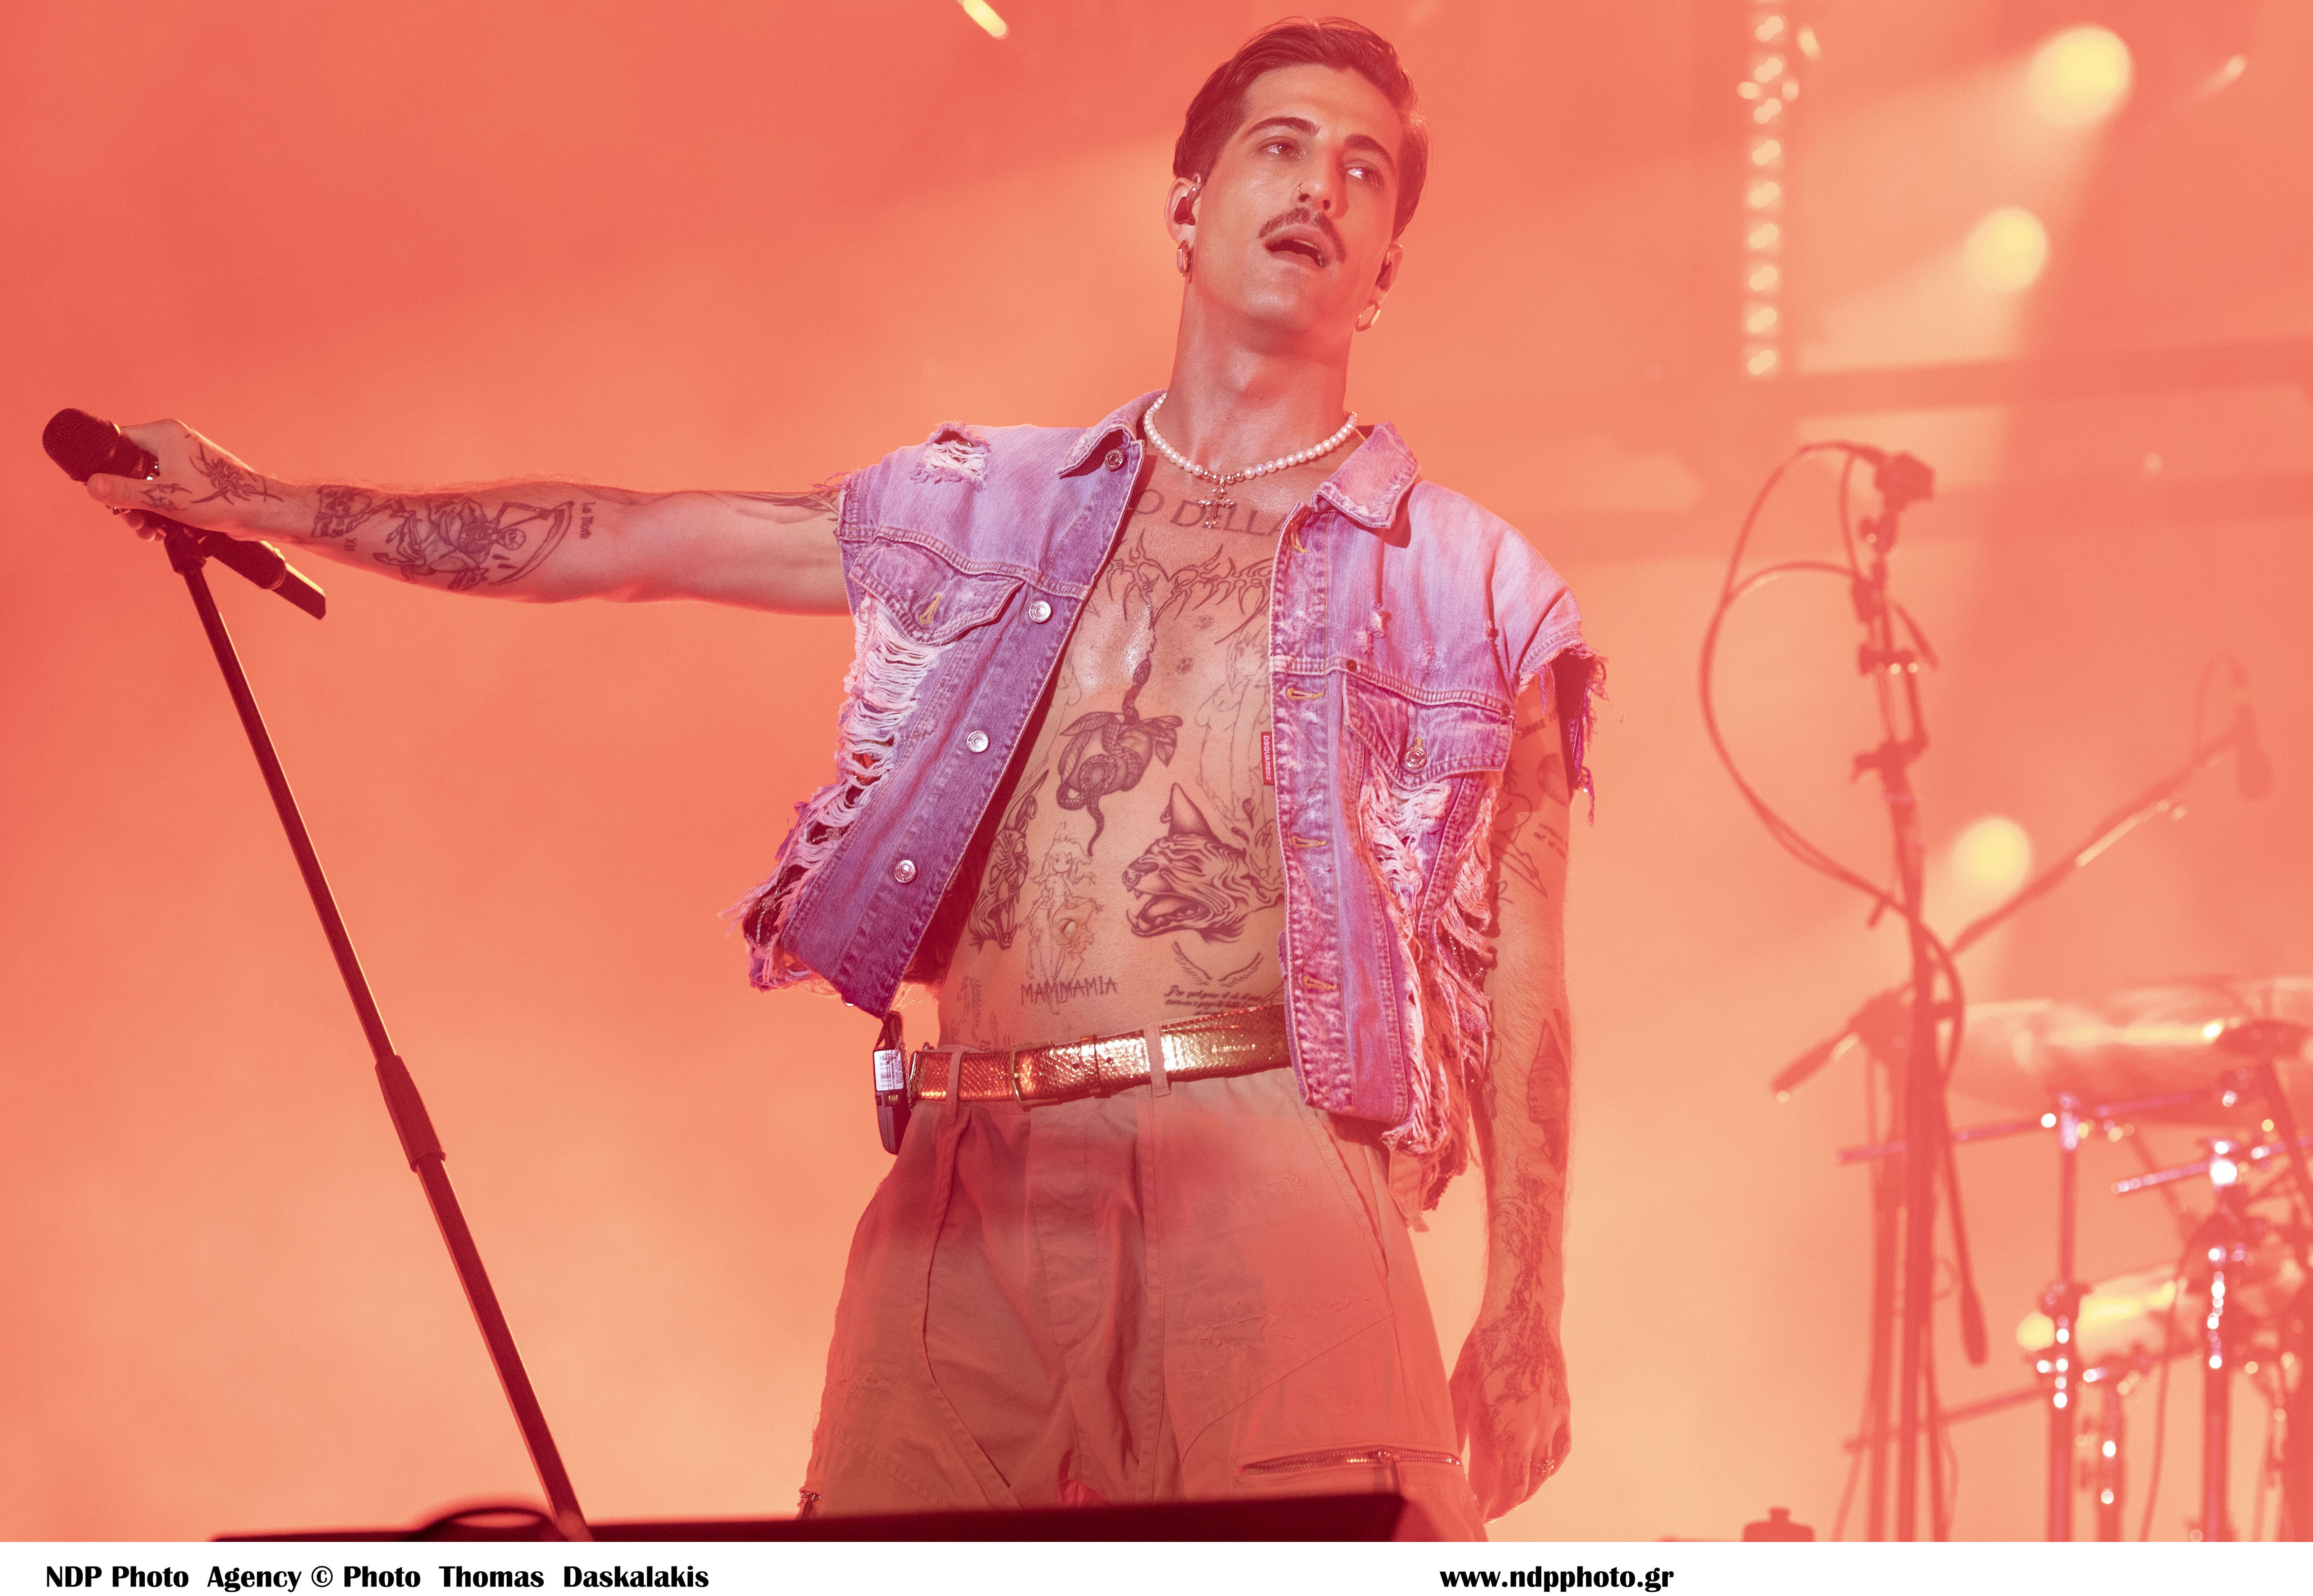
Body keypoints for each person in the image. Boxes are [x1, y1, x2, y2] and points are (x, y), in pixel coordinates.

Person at [85, 17, 1592, 1539]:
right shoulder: (989, 507)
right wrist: (264, 502)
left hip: (1262, 1180)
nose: (1320, 188)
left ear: (1385, 271)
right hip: (967, 1183)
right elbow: (635, 539)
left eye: (1363, 171)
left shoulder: (1466, 583)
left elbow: (1520, 964)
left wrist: (1524, 1310)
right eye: (1281, 146)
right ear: (1187, 209)